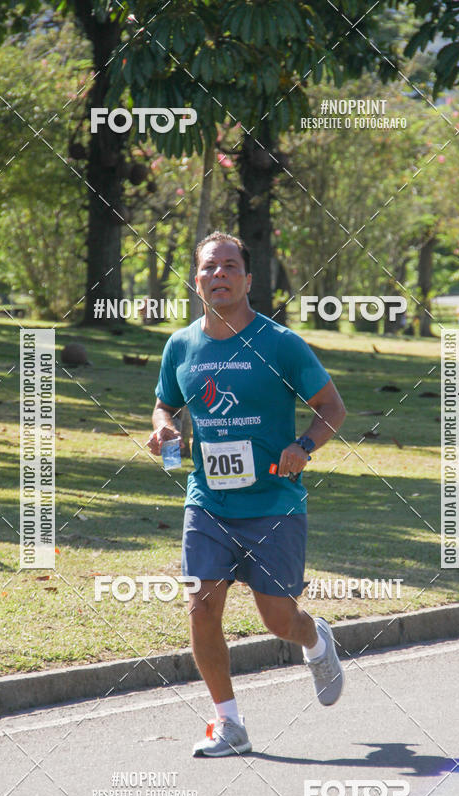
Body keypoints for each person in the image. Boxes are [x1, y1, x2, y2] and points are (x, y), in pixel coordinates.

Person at [148, 231, 347, 758]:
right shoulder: (181, 346)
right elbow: (165, 406)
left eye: (230, 266)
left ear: (248, 279)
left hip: (274, 503)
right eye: (210, 267)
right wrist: (166, 430)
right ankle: (228, 723)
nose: (219, 275)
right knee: (201, 606)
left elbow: (332, 407)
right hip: (208, 501)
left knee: (278, 619)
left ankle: (316, 640)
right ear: (196, 281)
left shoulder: (280, 344)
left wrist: (304, 445)